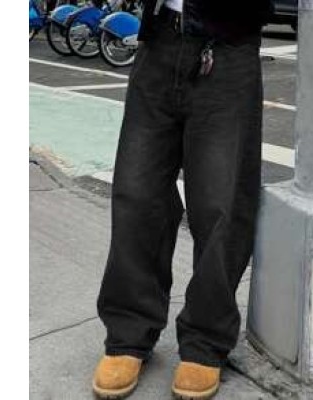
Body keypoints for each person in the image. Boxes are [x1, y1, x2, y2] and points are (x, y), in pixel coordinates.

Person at [93, 0, 273, 399]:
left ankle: (205, 341)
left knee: (220, 204)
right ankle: (128, 333)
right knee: (137, 193)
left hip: (228, 48)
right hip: (159, 42)